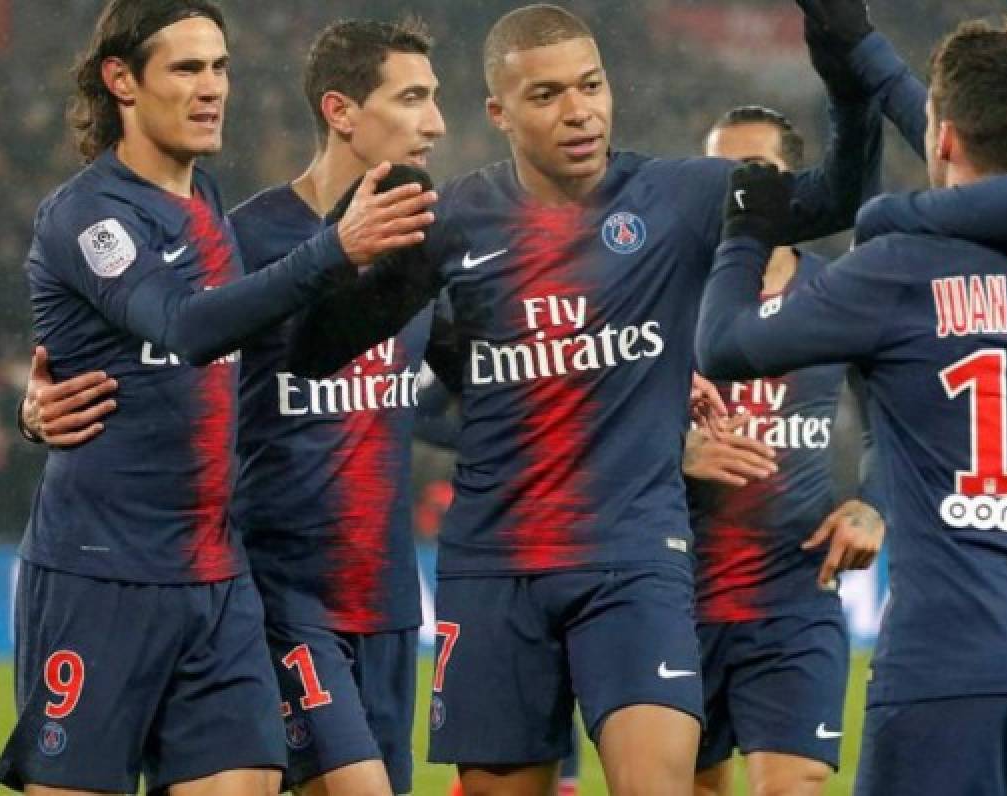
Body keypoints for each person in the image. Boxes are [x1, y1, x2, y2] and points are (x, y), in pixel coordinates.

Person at [290, 4, 881, 793]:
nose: (579, 111)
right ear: (499, 112)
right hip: (495, 566)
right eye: (546, 95)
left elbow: (837, 197)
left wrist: (845, 67)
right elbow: (317, 350)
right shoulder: (454, 220)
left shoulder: (683, 194)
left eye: (591, 85)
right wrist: (345, 245)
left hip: (634, 561)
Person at [696, 23, 1007, 796]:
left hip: (952, 648)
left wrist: (745, 232)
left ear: (944, 135)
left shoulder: (899, 269)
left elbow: (726, 344)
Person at [0, 2, 435, 794]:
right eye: (187, 68)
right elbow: (184, 325)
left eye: (220, 67)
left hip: (216, 575)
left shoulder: (207, 204)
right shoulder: (90, 214)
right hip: (104, 569)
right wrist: (334, 250)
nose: (213, 88)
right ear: (121, 80)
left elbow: (262, 354)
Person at [227, 19, 448, 796]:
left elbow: (483, 386)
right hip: (280, 591)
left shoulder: (421, 241)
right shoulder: (247, 240)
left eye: (434, 98)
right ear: (341, 111)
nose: (435, 122)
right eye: (412, 98)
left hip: (387, 598)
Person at [686, 105, 883, 796]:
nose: (736, 192)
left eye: (756, 173)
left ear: (796, 187)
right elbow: (594, 426)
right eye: (719, 176)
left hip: (796, 596)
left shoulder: (835, 293)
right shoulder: (664, 294)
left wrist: (872, 503)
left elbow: (890, 421)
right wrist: (674, 450)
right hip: (672, 600)